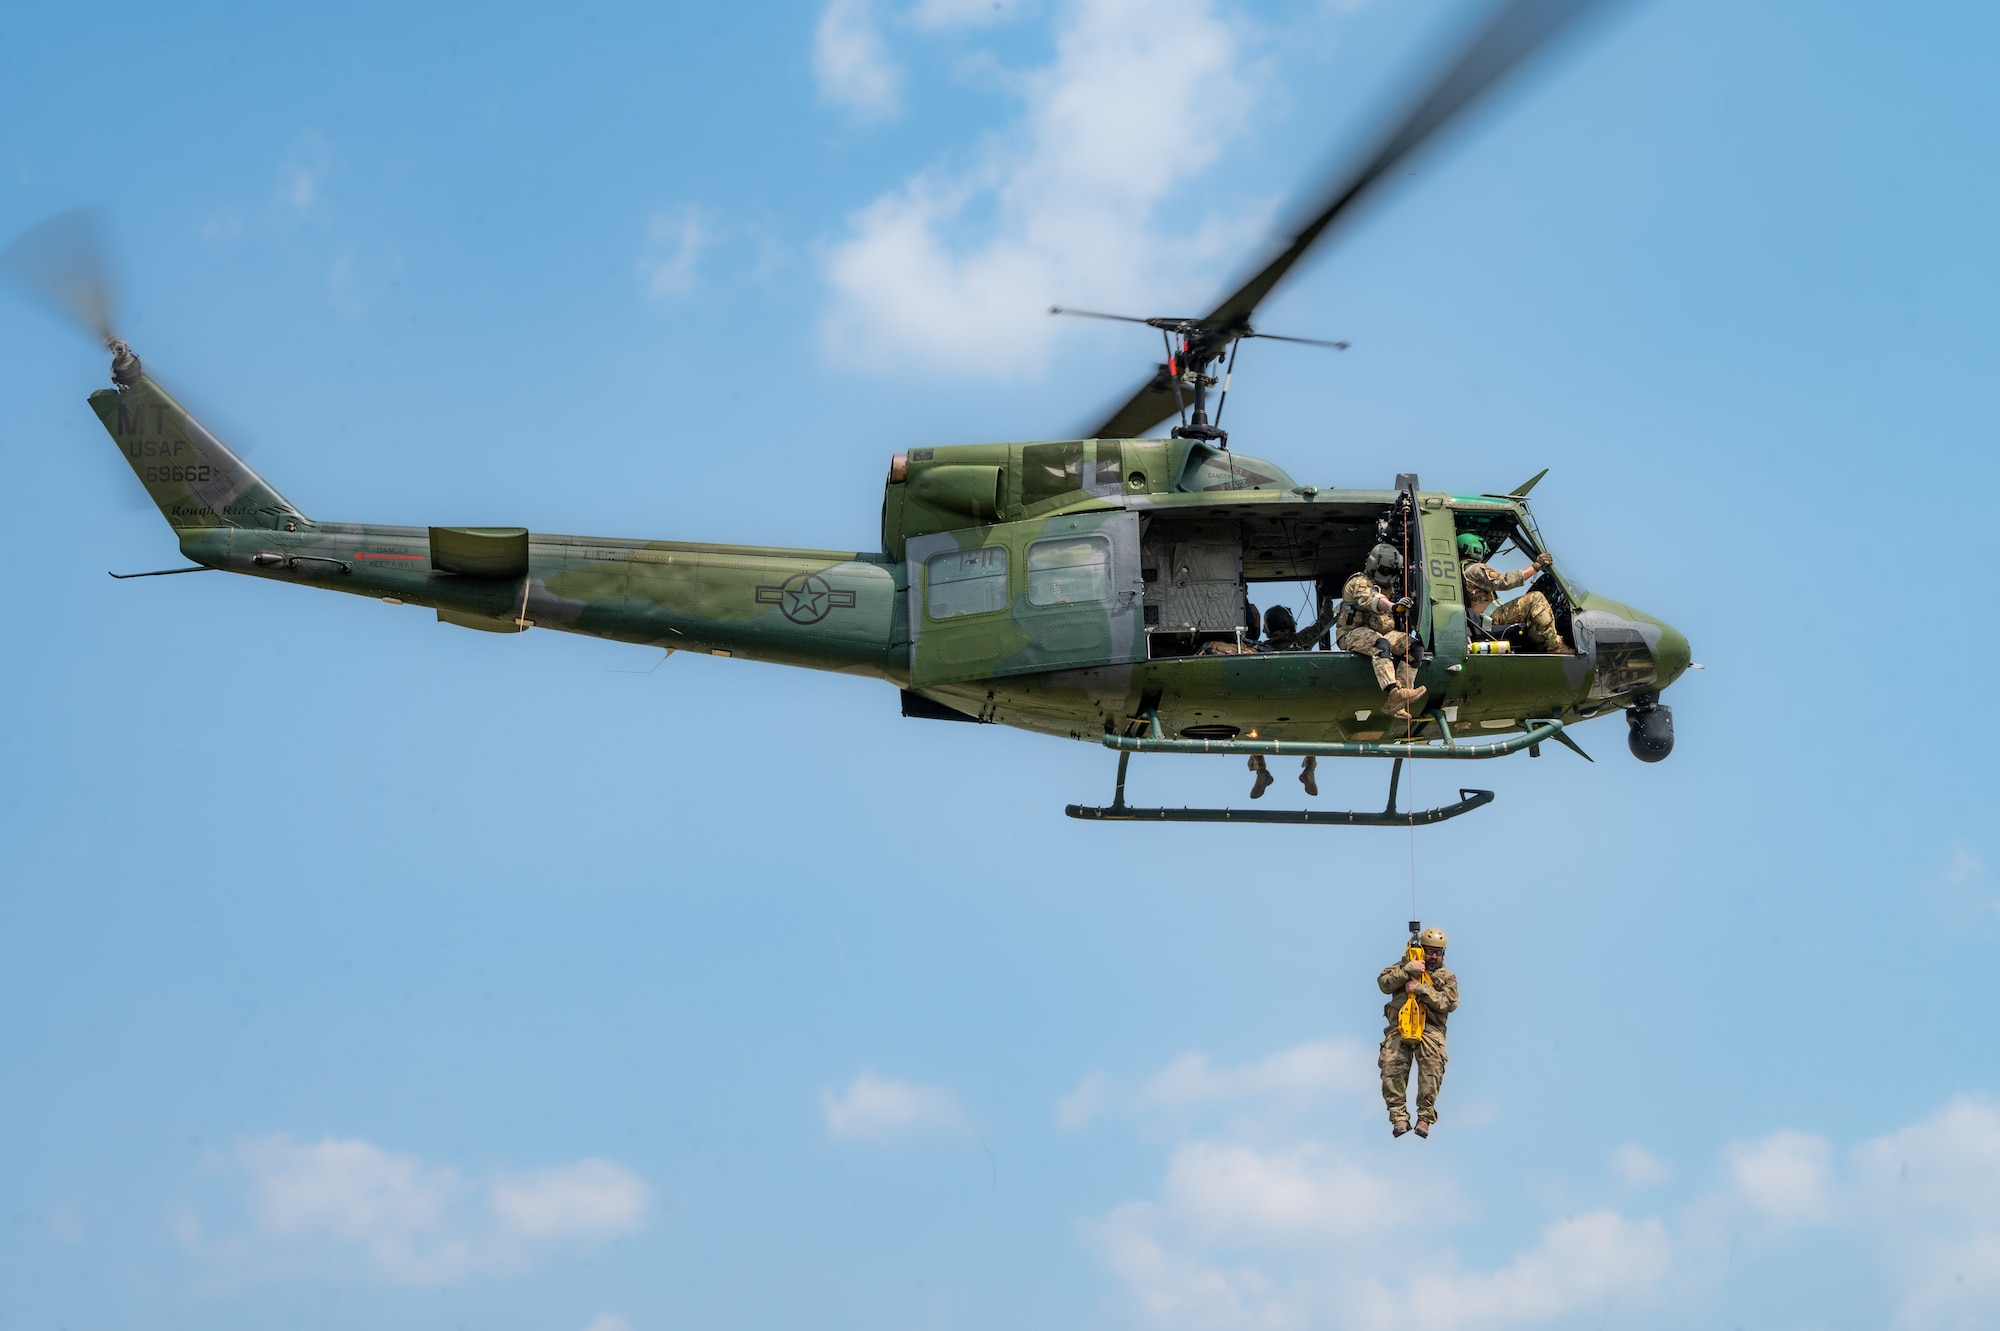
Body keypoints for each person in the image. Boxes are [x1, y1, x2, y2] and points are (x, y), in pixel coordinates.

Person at [1377, 926, 1458, 1137]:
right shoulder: (1404, 967)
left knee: (1431, 1072)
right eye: (1429, 951)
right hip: (1399, 1028)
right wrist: (1407, 972)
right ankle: (1399, 1117)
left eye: (1437, 953)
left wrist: (1421, 988)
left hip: (1430, 1030)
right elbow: (1384, 983)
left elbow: (1448, 1002)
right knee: (1391, 1069)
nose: (1433, 957)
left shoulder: (1447, 978)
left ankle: (1425, 1118)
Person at [1336, 545, 1426, 719]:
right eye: (1386, 570)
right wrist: (1394, 606)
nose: (1389, 575)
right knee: (1380, 644)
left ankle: (1400, 698)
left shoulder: (1389, 586)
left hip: (1382, 633)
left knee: (1414, 648)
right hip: (1352, 634)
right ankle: (1393, 691)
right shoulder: (1359, 582)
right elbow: (1373, 599)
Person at [1457, 533, 1568, 654]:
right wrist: (1535, 567)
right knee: (1535, 598)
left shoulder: (1462, 569)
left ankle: (1541, 646)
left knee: (1532, 617)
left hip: (1485, 618)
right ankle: (1555, 647)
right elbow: (1502, 581)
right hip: (1489, 618)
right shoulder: (1474, 569)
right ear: (1475, 548)